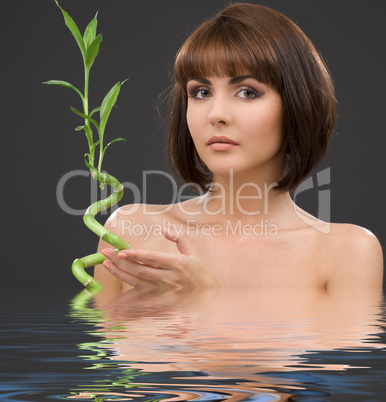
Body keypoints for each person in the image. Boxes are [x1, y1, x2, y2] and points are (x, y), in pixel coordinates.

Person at [94, 3, 383, 297]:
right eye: (201, 92)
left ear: (298, 104)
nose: (217, 114)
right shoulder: (129, 231)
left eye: (247, 92)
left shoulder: (346, 253)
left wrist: (203, 297)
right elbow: (93, 341)